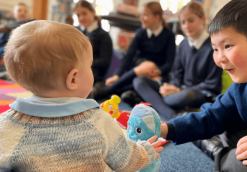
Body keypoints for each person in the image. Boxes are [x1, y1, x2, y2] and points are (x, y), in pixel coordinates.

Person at [159, 0, 247, 171]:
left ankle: (218, 154)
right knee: (228, 126)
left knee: (239, 163)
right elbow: (213, 116)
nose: (220, 58)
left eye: (227, 46)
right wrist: (164, 129)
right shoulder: (246, 77)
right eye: (215, 49)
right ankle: (220, 153)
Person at [0, 20, 163, 171]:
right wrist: (146, 151)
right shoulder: (97, 121)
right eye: (90, 67)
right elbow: (127, 160)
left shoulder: (6, 123)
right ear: (73, 79)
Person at [132, 1, 222, 120]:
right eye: (183, 22)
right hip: (179, 91)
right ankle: (172, 114)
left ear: (203, 19)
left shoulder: (213, 46)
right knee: (139, 81)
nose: (186, 26)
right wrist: (171, 87)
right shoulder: (183, 44)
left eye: (191, 20)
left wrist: (179, 90)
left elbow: (212, 83)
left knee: (183, 95)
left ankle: (156, 103)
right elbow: (176, 73)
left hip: (197, 93)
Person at [91, 2, 176, 100]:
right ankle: (128, 94)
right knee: (146, 67)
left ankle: (109, 90)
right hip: (137, 67)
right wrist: (117, 75)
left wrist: (158, 71)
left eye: (145, 15)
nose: (141, 18)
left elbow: (169, 62)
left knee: (153, 76)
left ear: (156, 18)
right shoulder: (140, 33)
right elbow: (128, 56)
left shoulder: (169, 35)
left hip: (155, 72)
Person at [74, 0, 113, 85]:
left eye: (84, 14)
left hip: (94, 75)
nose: (81, 18)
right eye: (78, 15)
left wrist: (84, 63)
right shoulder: (80, 31)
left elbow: (105, 62)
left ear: (93, 12)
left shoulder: (104, 36)